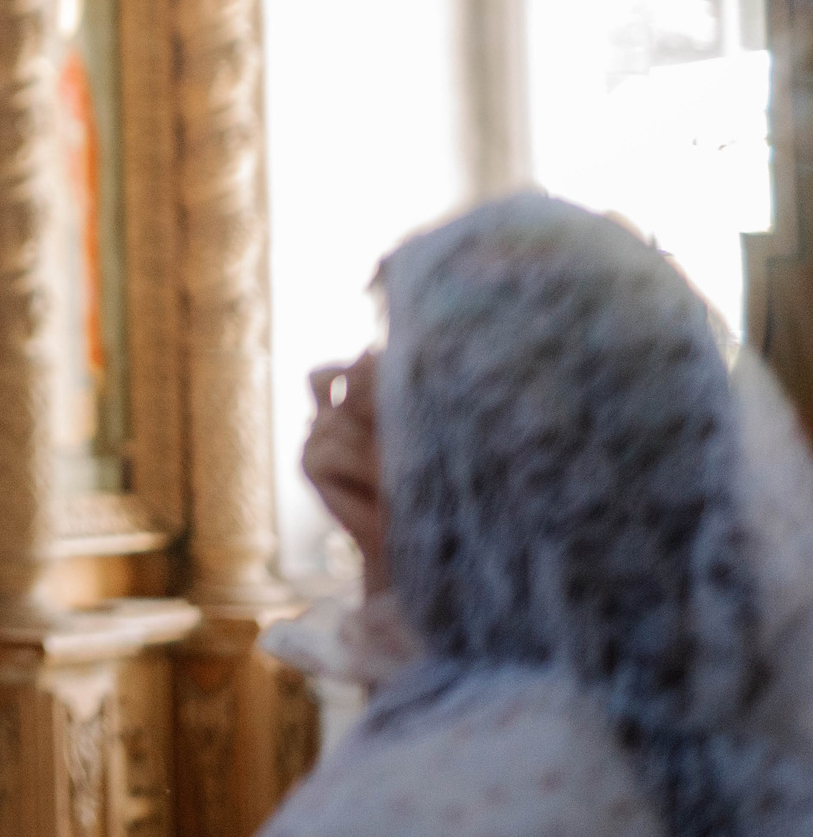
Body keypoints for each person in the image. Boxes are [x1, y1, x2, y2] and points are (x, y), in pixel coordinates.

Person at [269, 193, 813, 837]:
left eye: (406, 363)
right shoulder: (704, 698)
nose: (368, 380)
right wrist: (391, 555)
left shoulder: (455, 792)